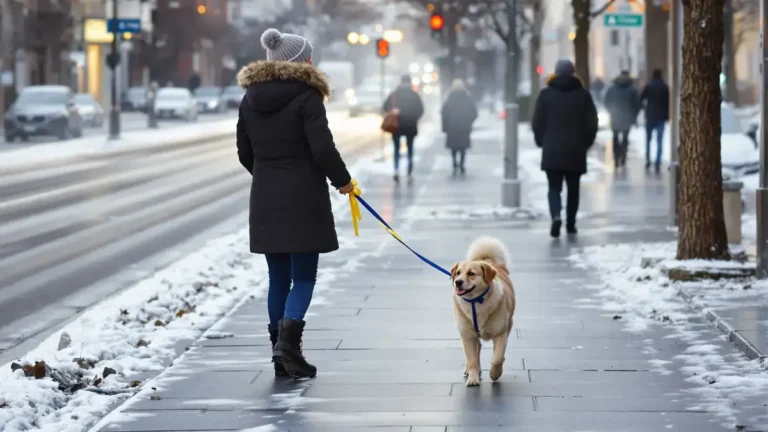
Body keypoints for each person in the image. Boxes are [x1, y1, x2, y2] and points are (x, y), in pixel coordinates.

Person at [236, 28, 355, 378]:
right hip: (304, 197)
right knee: (303, 277)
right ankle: (289, 346)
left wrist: (268, 175)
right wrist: (343, 181)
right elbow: (322, 148)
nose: (312, 61)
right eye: (308, 56)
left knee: (277, 279)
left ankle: (279, 353)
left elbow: (245, 152)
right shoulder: (307, 97)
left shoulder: (249, 98)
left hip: (266, 197)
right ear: (299, 61)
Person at [531, 59, 598, 238]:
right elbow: (592, 122)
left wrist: (541, 141)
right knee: (573, 189)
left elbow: (537, 121)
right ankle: (570, 224)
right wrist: (586, 143)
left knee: (554, 188)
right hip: (576, 150)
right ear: (573, 72)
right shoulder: (583, 95)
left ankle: (555, 215)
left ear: (556, 72)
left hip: (552, 149)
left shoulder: (546, 94)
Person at [382, 75, 424, 182]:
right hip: (410, 125)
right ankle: (409, 170)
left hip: (396, 125)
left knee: (396, 148)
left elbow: (385, 107)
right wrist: (414, 117)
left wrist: (393, 111)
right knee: (410, 147)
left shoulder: (394, 95)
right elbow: (421, 110)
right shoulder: (414, 95)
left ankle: (396, 169)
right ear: (410, 83)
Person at [441, 79, 478, 175]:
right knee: (463, 147)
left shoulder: (449, 98)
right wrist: (469, 121)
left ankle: (454, 163)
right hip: (464, 126)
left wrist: (445, 126)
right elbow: (474, 112)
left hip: (452, 126)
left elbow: (444, 113)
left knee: (453, 147)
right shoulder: (467, 97)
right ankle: (461, 164)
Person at [604, 70, 640, 168]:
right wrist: (634, 116)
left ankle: (616, 157)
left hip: (615, 117)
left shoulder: (612, 88)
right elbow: (637, 105)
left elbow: (606, 101)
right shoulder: (632, 89)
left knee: (615, 138)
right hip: (627, 117)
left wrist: (611, 111)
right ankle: (623, 156)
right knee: (625, 138)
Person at [640, 68, 670, 172]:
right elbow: (668, 103)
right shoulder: (665, 87)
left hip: (650, 116)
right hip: (661, 118)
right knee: (659, 141)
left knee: (648, 140)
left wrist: (645, 109)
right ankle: (658, 161)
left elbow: (641, 98)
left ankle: (648, 160)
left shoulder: (648, 86)